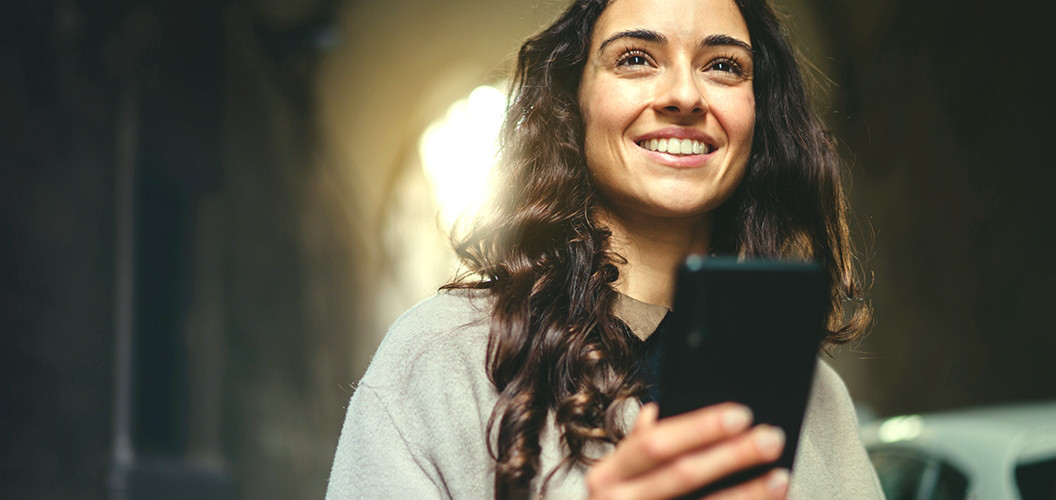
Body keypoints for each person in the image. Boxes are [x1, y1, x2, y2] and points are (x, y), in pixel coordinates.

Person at [327, 0, 882, 498]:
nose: (685, 95)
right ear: (576, 100)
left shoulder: (813, 395)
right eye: (636, 58)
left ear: (759, 114)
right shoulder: (440, 361)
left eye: (723, 65)